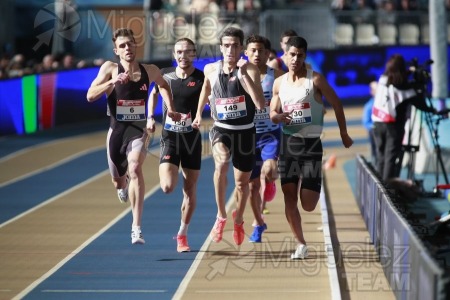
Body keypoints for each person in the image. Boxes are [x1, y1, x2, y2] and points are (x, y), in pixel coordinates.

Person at [86, 28, 180, 245]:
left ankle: (136, 228)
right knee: (118, 183)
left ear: (136, 46)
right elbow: (90, 95)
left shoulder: (149, 70)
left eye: (130, 43)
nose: (128, 48)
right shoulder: (109, 69)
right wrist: (112, 82)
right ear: (116, 50)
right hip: (116, 132)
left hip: (138, 131)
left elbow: (164, 86)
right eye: (123, 45)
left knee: (136, 166)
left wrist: (170, 108)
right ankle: (123, 183)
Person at [269, 36, 353, 259]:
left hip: (312, 146)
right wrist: (279, 117)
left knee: (307, 204)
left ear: (305, 56)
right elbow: (272, 113)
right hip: (288, 145)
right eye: (292, 54)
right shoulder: (279, 83)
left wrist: (344, 134)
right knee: (289, 196)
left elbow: (336, 104)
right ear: (285, 55)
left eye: (300, 55)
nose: (295, 59)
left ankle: (312, 186)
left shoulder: (315, 80)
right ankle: (301, 243)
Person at [192, 27, 265, 246]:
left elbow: (260, 104)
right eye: (226, 46)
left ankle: (240, 219)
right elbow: (205, 90)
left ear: (241, 47)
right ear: (221, 48)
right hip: (221, 128)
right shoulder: (210, 70)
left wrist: (243, 76)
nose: (230, 50)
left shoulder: (250, 70)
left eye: (235, 45)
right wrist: (197, 114)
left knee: (242, 185)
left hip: (246, 132)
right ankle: (221, 215)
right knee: (221, 162)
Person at [148, 38, 204, 252]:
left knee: (189, 189)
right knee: (167, 187)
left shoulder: (201, 78)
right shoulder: (165, 75)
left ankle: (182, 234)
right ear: (174, 54)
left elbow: (210, 99)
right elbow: (153, 95)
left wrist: (202, 115)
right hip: (170, 138)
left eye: (188, 52)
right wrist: (150, 118)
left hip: (192, 141)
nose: (183, 56)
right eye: (179, 52)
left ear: (194, 54)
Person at [244, 34, 284, 242]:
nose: (257, 54)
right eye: (253, 50)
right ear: (246, 52)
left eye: (261, 51)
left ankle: (270, 180)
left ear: (268, 54)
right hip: (247, 136)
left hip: (270, 135)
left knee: (268, 170)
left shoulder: (277, 75)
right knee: (252, 187)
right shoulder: (239, 75)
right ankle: (258, 224)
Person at [371, 54, 436, 184]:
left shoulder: (383, 80)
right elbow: (421, 104)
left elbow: (396, 74)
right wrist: (433, 109)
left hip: (377, 123)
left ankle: (378, 188)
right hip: (393, 127)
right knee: (390, 158)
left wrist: (409, 71)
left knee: (381, 157)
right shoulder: (407, 91)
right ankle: (387, 192)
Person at [362, 81, 377, 164]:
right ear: (371, 92)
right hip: (375, 133)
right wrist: (375, 126)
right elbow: (366, 123)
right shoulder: (369, 106)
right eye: (375, 89)